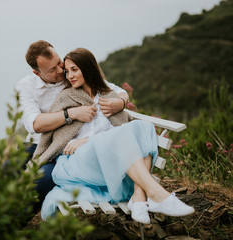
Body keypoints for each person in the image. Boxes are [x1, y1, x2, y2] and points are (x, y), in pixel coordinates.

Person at [29, 48, 195, 223]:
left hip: (111, 160)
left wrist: (120, 104)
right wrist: (80, 131)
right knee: (117, 137)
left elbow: (124, 128)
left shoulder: (108, 95)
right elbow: (51, 136)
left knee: (143, 127)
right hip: (76, 162)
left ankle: (138, 199)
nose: (69, 75)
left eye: (75, 70)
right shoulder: (65, 98)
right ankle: (157, 195)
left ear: (88, 68)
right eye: (67, 71)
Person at [16, 40, 129, 213]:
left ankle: (14, 225)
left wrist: (121, 102)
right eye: (52, 70)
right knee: (8, 167)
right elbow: (34, 124)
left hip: (64, 147)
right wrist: (71, 114)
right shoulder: (26, 86)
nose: (61, 71)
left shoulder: (72, 76)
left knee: (40, 179)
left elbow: (112, 89)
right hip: (40, 144)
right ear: (37, 73)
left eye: (59, 63)